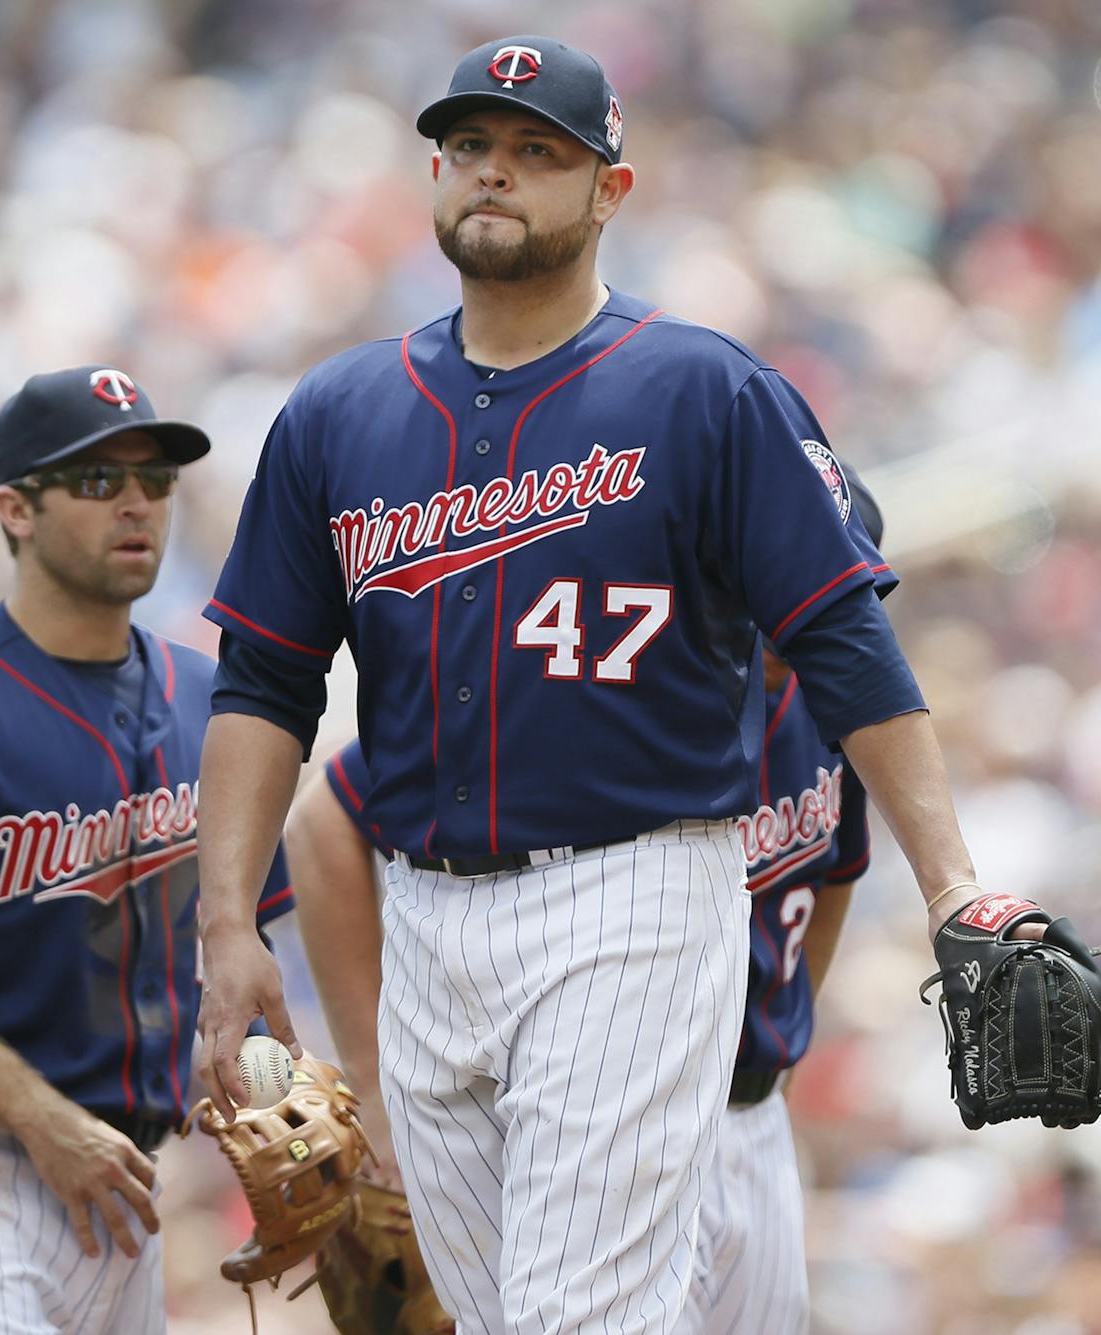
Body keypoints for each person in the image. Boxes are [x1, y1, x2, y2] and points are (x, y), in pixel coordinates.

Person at [193, 32, 1061, 1334]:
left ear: (611, 189)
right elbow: (264, 679)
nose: (498, 171)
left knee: (579, 1315)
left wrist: (954, 881)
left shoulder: (704, 389)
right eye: (473, 145)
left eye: (540, 151)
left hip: (635, 892)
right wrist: (222, 926)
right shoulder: (339, 412)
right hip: (425, 914)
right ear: (434, 171)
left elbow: (843, 638)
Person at [288, 468, 889, 1335]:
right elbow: (324, 823)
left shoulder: (840, 710)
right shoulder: (619, 679)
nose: (822, 600)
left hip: (750, 1124)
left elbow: (834, 878)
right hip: (603, 1113)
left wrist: (783, 1051)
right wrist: (375, 1087)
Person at [0, 366, 294, 1335]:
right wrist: (42, 1119)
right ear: (15, 509)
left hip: (124, 1184)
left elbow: (239, 942)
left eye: (155, 480)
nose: (135, 504)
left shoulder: (207, 702)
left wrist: (271, 1090)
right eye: (96, 482)